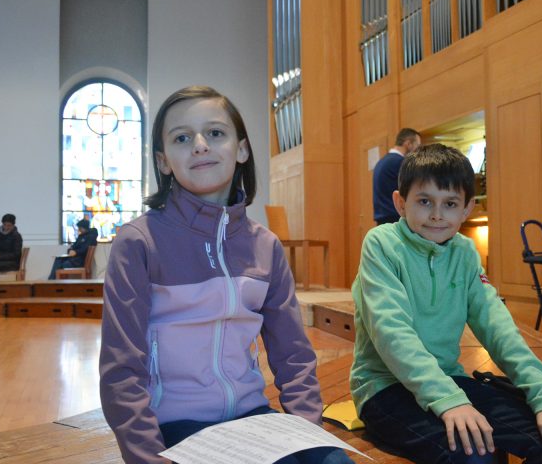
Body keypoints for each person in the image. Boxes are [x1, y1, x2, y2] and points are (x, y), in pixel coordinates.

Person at [99, 86, 354, 464]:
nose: (200, 145)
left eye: (215, 133)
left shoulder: (264, 246)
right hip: (175, 426)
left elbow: (293, 355)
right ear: (164, 160)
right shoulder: (138, 243)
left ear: (242, 149)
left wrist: (307, 434)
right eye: (182, 138)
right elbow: (121, 372)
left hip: (251, 416)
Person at [351, 144, 542, 464]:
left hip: (448, 378)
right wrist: (448, 401)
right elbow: (392, 333)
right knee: (477, 455)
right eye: (424, 201)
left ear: (466, 209)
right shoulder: (381, 245)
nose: (436, 214)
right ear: (400, 203)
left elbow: (496, 324)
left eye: (449, 203)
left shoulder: (465, 253)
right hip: (384, 388)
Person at [372, 127, 421, 225]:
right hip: (395, 219)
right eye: (417, 146)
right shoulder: (399, 162)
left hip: (383, 219)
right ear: (408, 144)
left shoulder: (381, 162)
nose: (418, 150)